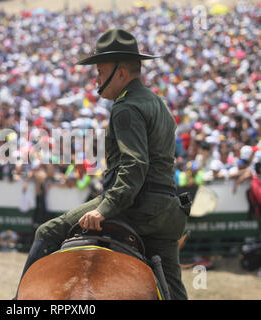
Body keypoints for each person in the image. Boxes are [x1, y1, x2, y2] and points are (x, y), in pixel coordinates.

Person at [14, 28, 188, 300]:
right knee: (174, 292)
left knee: (46, 232)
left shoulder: (126, 107)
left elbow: (134, 166)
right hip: (166, 213)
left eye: (100, 71)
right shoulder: (158, 103)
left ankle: (17, 304)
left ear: (120, 73)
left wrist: (105, 208)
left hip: (135, 206)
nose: (96, 78)